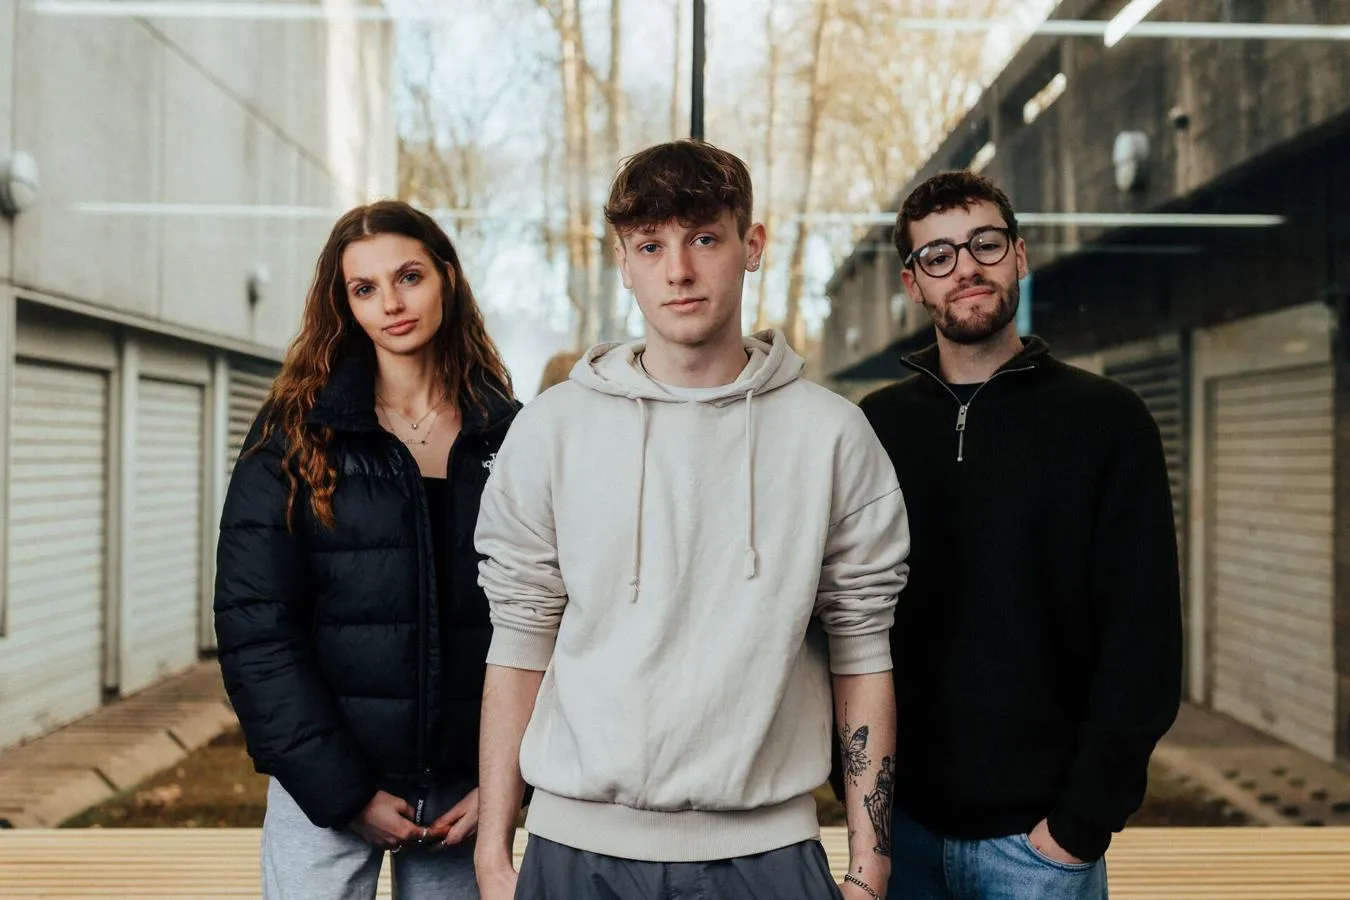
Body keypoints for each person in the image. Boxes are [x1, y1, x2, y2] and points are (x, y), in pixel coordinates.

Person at [472, 139, 911, 900]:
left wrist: (869, 867)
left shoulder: (832, 436)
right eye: (651, 245)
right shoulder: (552, 430)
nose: (677, 270)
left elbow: (862, 650)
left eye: (704, 238)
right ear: (624, 261)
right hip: (575, 851)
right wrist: (493, 854)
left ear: (752, 246)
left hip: (767, 854)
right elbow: (518, 645)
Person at [859, 170, 1182, 900]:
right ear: (913, 283)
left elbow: (1145, 640)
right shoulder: (875, 429)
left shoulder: (1108, 421)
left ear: (1020, 255)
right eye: (938, 256)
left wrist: (1078, 828)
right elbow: (837, 618)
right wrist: (859, 807)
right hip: (898, 836)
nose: (966, 267)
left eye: (985, 243)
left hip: (1039, 849)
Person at [214, 200, 519, 900]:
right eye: (365, 288)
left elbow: (547, 623)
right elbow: (254, 627)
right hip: (324, 788)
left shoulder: (509, 437)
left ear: (447, 277)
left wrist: (504, 783)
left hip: (462, 796)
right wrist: (343, 791)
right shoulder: (292, 438)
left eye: (409, 276)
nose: (392, 303)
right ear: (344, 304)